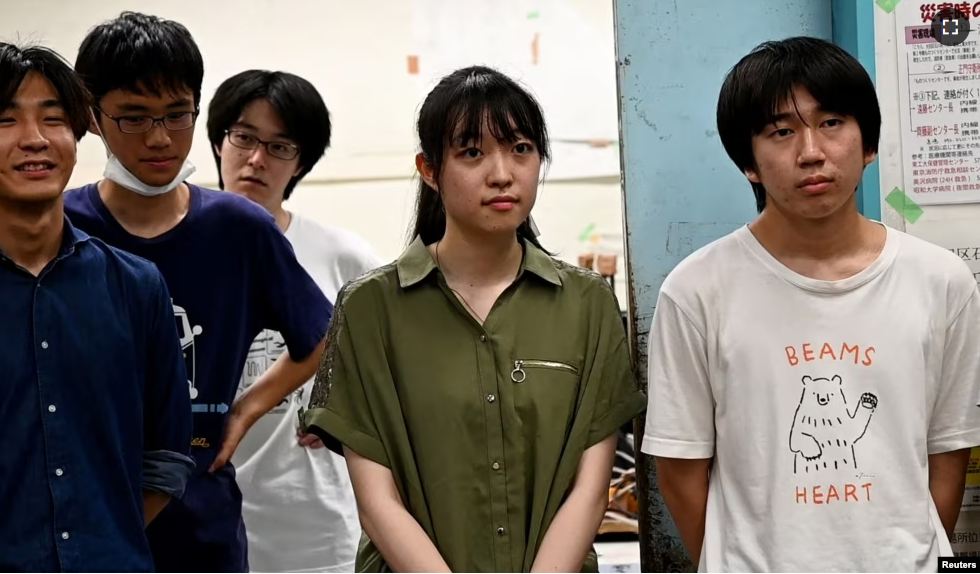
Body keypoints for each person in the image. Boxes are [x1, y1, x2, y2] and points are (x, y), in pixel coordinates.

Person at [641, 36, 980, 572]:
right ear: (748, 162)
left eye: (831, 123)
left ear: (868, 143)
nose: (811, 152)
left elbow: (948, 453)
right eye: (781, 131)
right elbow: (680, 468)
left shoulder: (941, 281)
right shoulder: (697, 290)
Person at [302, 65, 646, 573]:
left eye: (521, 149)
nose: (502, 172)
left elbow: (590, 490)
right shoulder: (370, 308)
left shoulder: (587, 304)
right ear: (429, 169)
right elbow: (378, 502)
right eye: (472, 152)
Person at [63, 12, 333, 572]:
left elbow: (324, 333)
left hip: (203, 527)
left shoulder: (237, 228)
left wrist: (244, 411)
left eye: (177, 113)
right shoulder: (63, 226)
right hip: (80, 522)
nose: (160, 138)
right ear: (93, 116)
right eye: (134, 118)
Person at [0, 42, 194, 572]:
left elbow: (167, 459)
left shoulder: (136, 285)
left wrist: (99, 542)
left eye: (54, 119)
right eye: (3, 121)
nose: (35, 139)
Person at [206, 69, 380, 573]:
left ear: (301, 161)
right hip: (201, 521)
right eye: (244, 138)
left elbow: (396, 379)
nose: (257, 159)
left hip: (318, 528)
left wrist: (351, 414)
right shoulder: (177, 251)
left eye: (280, 146)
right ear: (220, 141)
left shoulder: (344, 257)